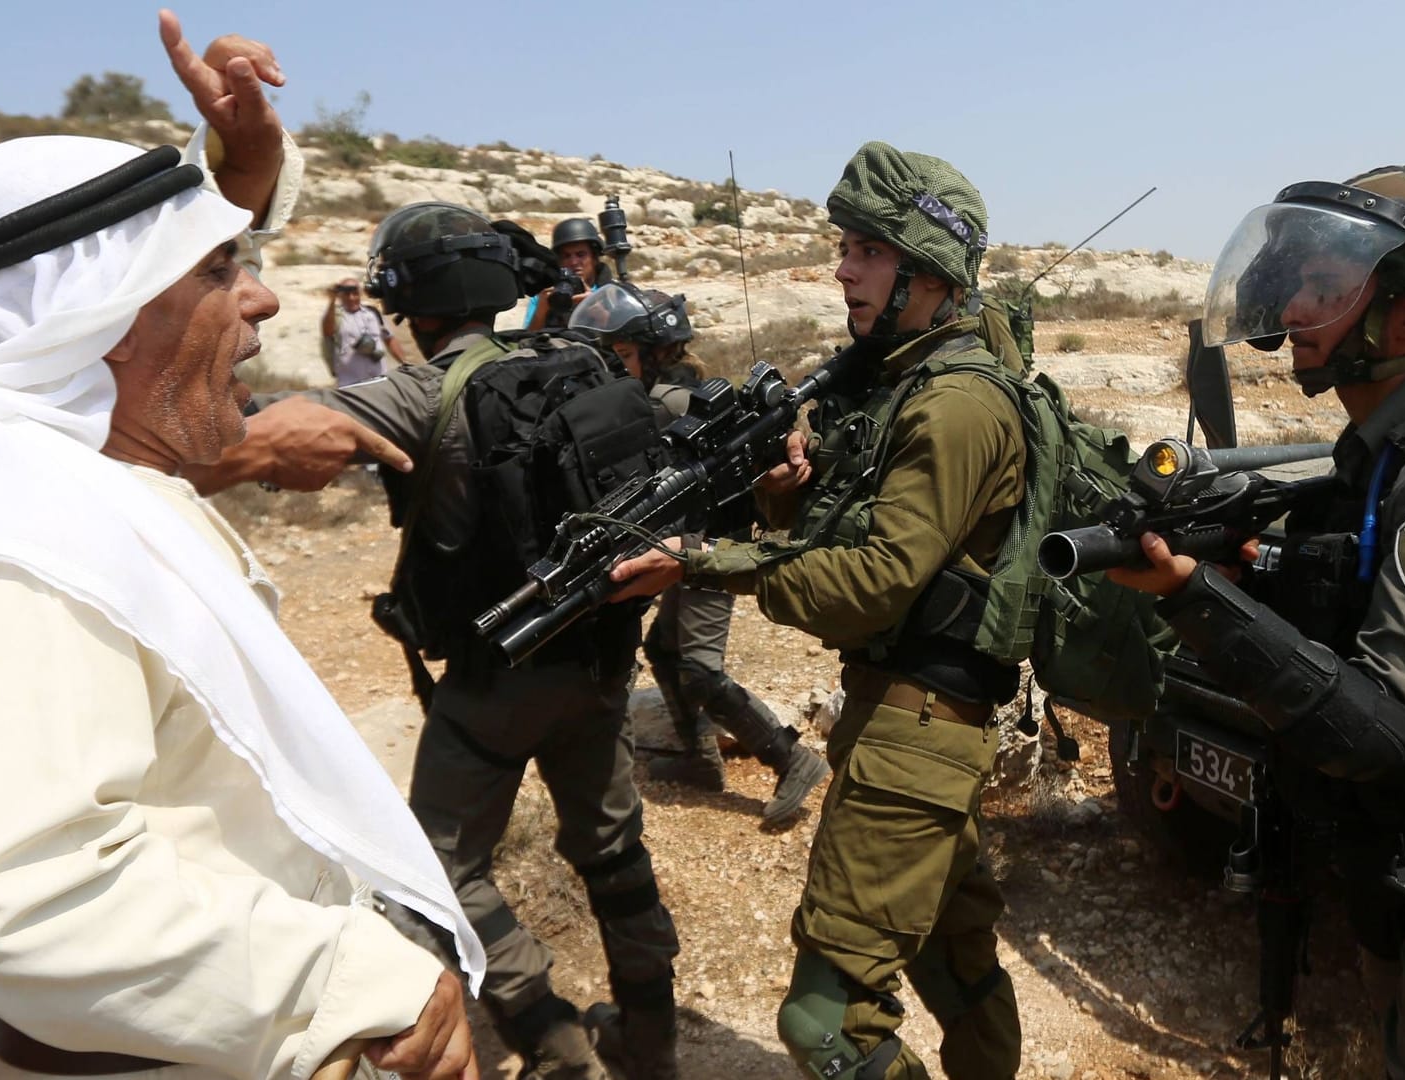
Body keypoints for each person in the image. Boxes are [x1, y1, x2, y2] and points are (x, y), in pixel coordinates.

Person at [0, 17, 487, 1080]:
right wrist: (346, 985)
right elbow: (21, 899)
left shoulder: (78, 489)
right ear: (103, 319)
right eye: (222, 269)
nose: (262, 298)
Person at [1105, 167, 1405, 1078]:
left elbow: (1384, 726)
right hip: (1394, 832)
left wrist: (1190, 597)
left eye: (1325, 287)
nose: (1293, 305)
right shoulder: (1378, 454)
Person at [194, 203, 681, 1079]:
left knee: (436, 868)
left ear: (411, 303)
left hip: (495, 681)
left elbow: (261, 437)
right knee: (613, 853)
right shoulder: (577, 358)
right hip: (601, 664)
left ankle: (549, 1033)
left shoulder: (423, 393)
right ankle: (652, 1042)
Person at [609, 142, 1025, 1080]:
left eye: (866, 250)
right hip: (911, 729)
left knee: (825, 1023)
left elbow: (877, 581)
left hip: (917, 736)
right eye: (846, 246)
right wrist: (789, 496)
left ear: (926, 268)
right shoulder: (905, 381)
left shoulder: (956, 404)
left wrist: (705, 561)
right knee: (958, 968)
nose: (842, 267)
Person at [565, 283, 830, 825]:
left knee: (701, 668)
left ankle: (791, 757)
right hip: (680, 548)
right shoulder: (663, 393)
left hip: (709, 548)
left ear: (653, 350)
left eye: (621, 355)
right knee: (664, 651)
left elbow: (779, 436)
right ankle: (700, 758)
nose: (614, 367)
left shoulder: (672, 401)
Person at [524, 216, 607, 330]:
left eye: (581, 255)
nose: (573, 262)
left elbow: (624, 340)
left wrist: (600, 313)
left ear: (594, 258)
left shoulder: (609, 293)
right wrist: (541, 311)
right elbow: (527, 338)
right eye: (566, 256)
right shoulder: (545, 295)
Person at [321, 275, 406, 385]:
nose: (351, 298)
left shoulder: (373, 313)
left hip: (379, 379)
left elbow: (389, 339)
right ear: (340, 295)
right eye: (347, 294)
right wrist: (332, 300)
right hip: (351, 384)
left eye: (355, 293)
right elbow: (327, 331)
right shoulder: (336, 316)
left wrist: (405, 362)